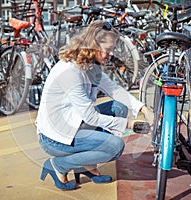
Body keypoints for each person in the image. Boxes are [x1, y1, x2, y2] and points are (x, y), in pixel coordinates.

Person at [36, 21, 154, 190]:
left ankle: (87, 165)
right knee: (115, 146)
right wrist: (130, 124)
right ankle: (59, 165)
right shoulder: (71, 72)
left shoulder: (90, 65)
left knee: (119, 107)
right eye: (108, 49)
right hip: (55, 138)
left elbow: (113, 89)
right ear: (93, 46)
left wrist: (144, 109)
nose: (112, 54)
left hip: (75, 124)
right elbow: (90, 116)